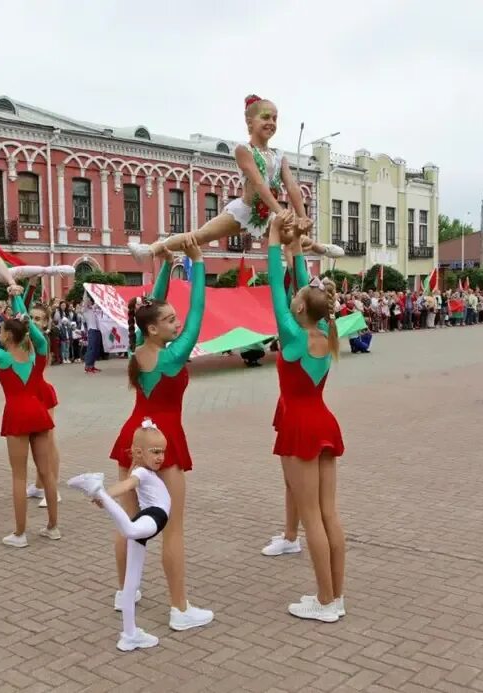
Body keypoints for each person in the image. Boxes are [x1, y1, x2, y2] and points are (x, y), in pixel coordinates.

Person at [109, 243, 213, 631]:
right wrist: (198, 265)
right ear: (154, 328)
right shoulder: (172, 356)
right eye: (170, 320)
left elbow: (151, 305)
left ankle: (125, 592)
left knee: (131, 520)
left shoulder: (139, 351)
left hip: (134, 435)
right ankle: (179, 608)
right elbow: (199, 312)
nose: (177, 323)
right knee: (173, 527)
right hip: (163, 441)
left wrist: (168, 266)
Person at [128, 95, 342, 262]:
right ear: (250, 122)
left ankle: (318, 247)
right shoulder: (243, 150)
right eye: (265, 117)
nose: (271, 122)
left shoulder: (279, 156)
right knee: (200, 236)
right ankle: (152, 248)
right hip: (244, 212)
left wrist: (303, 216)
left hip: (265, 216)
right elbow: (258, 184)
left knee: (291, 237)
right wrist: (280, 211)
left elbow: (292, 187)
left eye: (275, 118)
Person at [267, 211, 346, 622]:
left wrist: (272, 242)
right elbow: (299, 287)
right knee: (329, 513)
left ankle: (324, 600)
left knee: (312, 515)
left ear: (300, 304)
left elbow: (275, 291)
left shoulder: (293, 334)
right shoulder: (322, 333)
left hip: (299, 425)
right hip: (324, 420)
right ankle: (337, 596)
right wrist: (295, 247)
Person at [68, 419, 172, 652]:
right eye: (155, 452)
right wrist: (104, 495)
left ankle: (130, 633)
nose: (160, 457)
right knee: (131, 531)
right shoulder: (142, 473)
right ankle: (95, 487)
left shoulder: (146, 472)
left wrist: (103, 495)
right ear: (138, 452)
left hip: (146, 521)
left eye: (163, 452)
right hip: (153, 516)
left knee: (130, 583)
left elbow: (122, 486)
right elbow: (127, 486)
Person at [0, 293, 59, 547]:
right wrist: (22, 309)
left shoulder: (2, 358)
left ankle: (20, 533)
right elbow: (40, 338)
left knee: (19, 476)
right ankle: (53, 526)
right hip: (39, 413)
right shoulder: (34, 356)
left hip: (17, 416)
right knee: (47, 473)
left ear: (9, 336)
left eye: (1, 329)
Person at [22, 285, 62, 508]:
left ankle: (52, 489)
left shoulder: (41, 342)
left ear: (46, 323)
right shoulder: (22, 340)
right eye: (32, 318)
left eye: (39, 319)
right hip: (27, 395)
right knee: (34, 443)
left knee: (48, 442)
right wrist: (27, 287)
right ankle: (39, 485)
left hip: (42, 394)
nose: (35, 321)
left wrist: (31, 286)